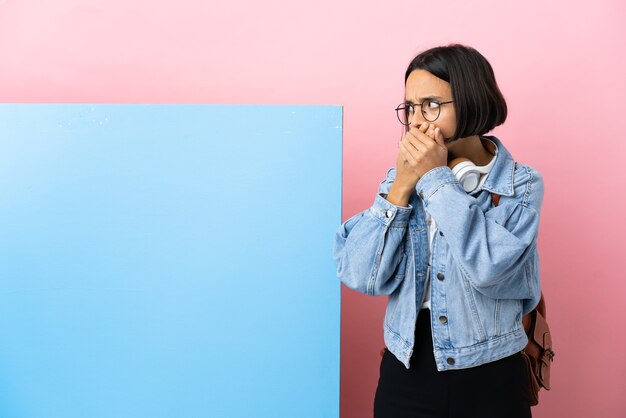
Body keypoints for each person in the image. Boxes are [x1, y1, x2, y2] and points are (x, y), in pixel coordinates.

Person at [332, 44, 544, 418]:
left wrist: (436, 178)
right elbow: (361, 275)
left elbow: (490, 269)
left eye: (430, 104)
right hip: (408, 369)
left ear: (471, 100)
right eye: (410, 107)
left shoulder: (520, 183)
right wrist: (400, 188)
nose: (415, 120)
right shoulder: (402, 180)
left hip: (492, 371)